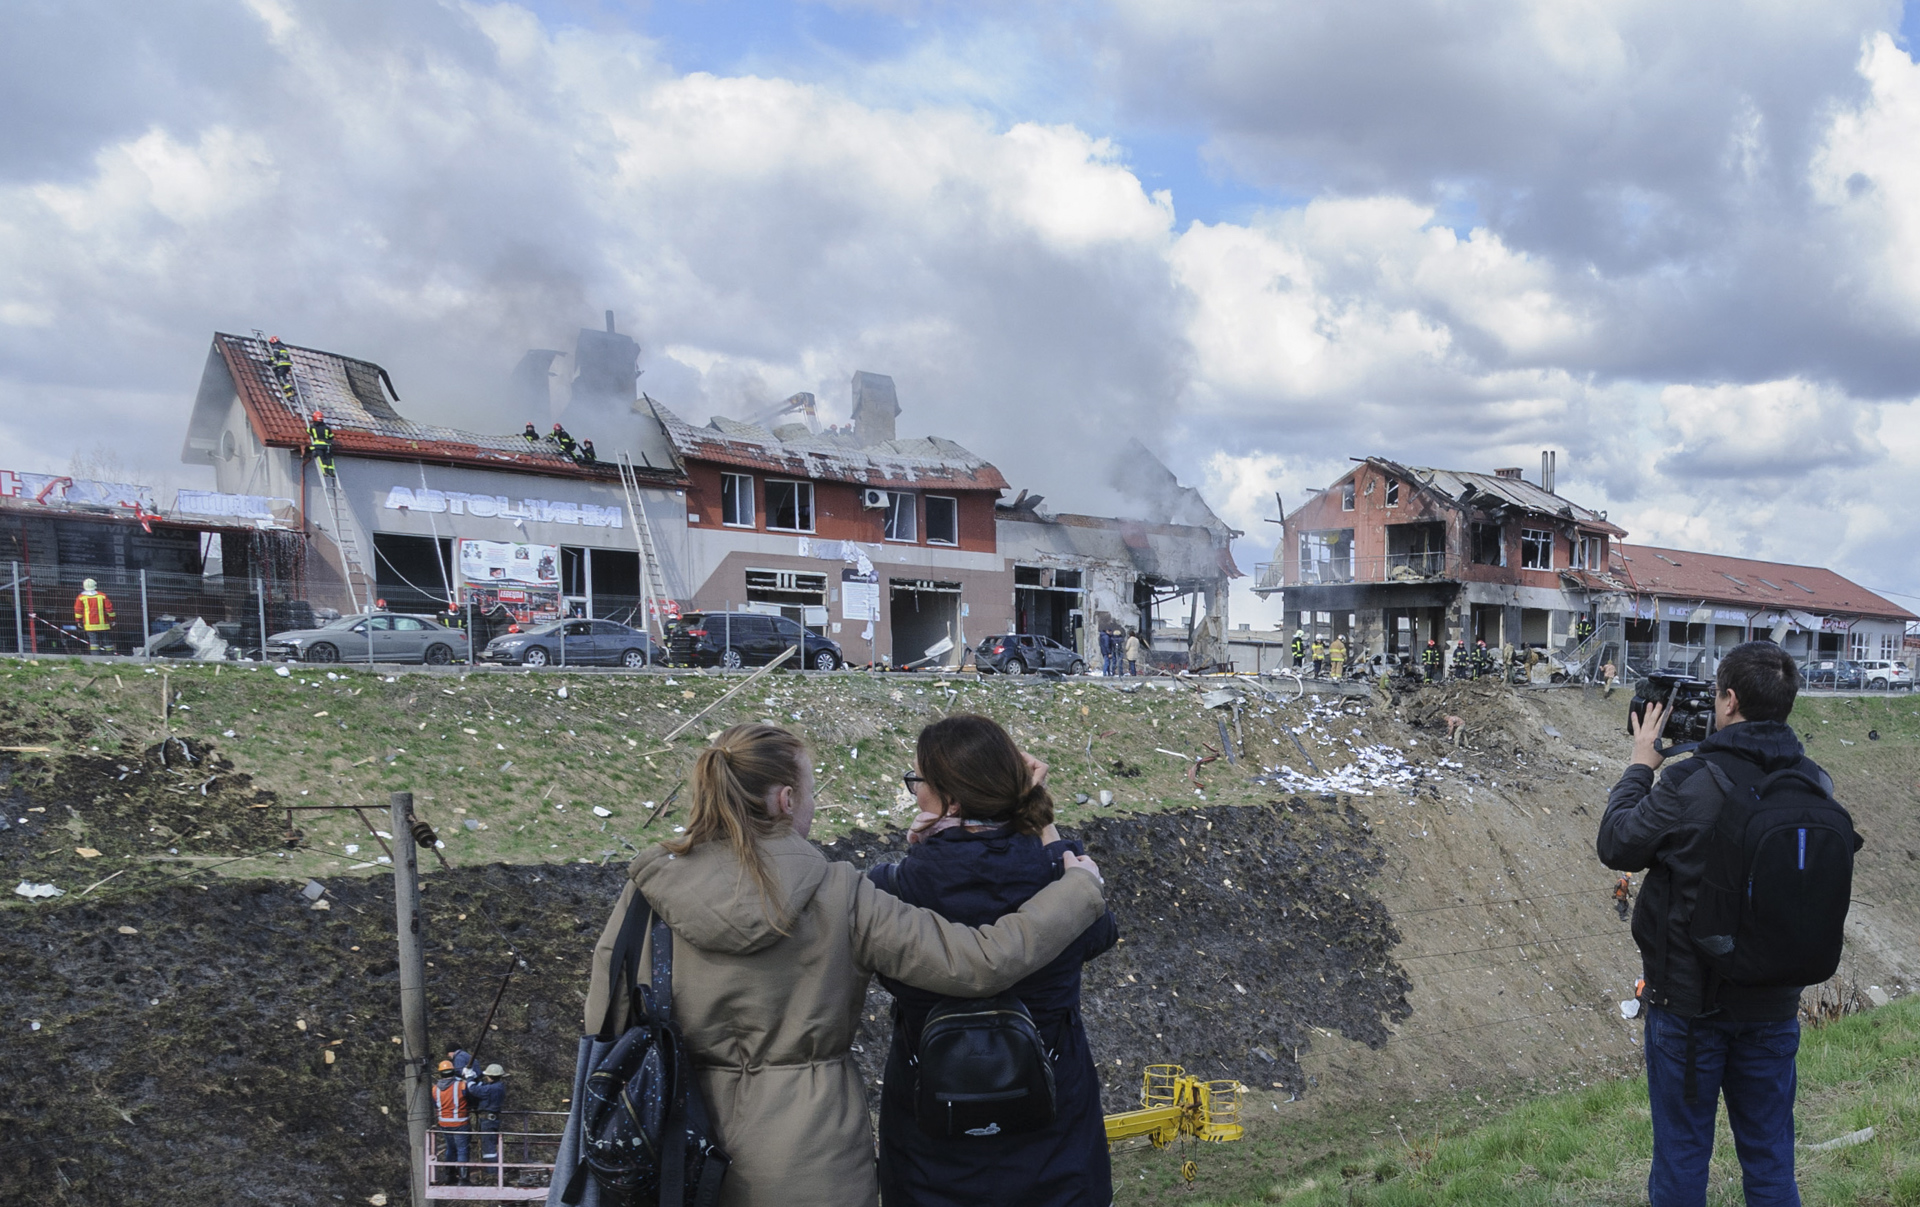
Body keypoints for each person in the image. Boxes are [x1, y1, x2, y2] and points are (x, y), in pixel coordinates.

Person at [583, 723, 1107, 1207]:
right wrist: (1073, 881)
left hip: (673, 1148)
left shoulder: (647, 892)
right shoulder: (841, 895)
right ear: (787, 800)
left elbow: (604, 1024)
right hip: (811, 1156)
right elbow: (979, 962)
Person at [1599, 641, 1840, 1207]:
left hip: (1689, 1008)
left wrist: (1641, 763)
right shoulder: (1814, 783)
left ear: (1728, 700)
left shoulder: (1690, 784)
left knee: (1683, 1157)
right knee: (1771, 1157)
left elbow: (1617, 843)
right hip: (1775, 1004)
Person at [870, 715, 1118, 1206]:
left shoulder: (893, 888)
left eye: (917, 780)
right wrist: (1044, 823)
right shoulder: (1065, 878)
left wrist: (921, 851)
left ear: (952, 801)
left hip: (931, 1157)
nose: (913, 791)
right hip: (1056, 1150)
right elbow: (1101, 932)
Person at [432, 1059, 472, 1185]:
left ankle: (450, 1176)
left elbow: (436, 1105)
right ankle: (463, 1178)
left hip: (444, 1123)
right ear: (453, 1072)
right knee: (462, 1150)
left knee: (450, 1149)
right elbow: (471, 1097)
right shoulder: (461, 1085)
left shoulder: (434, 1089)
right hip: (460, 1123)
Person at [473, 1063, 507, 1169]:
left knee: (488, 1147)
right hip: (492, 1119)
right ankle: (492, 1170)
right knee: (491, 1145)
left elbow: (473, 1090)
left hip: (488, 1121)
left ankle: (491, 1171)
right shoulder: (498, 1086)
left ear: (490, 1076)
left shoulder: (491, 1089)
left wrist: (470, 1078)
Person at [72, 578, 115, 654]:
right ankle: (110, 657)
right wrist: (112, 619)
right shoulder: (102, 596)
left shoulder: (81, 597)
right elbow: (109, 609)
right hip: (103, 625)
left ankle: (95, 658)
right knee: (107, 642)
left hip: (90, 625)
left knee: (93, 643)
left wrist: (78, 621)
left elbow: (78, 611)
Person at [307, 410, 336, 478]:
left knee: (321, 458)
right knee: (329, 458)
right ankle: (331, 472)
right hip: (327, 446)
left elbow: (308, 431)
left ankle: (325, 472)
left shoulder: (312, 427)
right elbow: (331, 436)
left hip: (318, 445)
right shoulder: (327, 428)